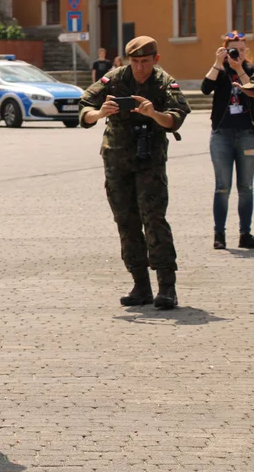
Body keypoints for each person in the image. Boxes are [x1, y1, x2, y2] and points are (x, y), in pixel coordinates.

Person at [79, 36, 191, 311]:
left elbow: (176, 117)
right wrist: (99, 113)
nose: (140, 67)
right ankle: (140, 285)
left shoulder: (164, 82)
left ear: (156, 59)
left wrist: (154, 114)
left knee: (154, 220)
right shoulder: (115, 78)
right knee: (126, 222)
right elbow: (84, 107)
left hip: (149, 161)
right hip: (117, 160)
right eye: (135, 62)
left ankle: (167, 287)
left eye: (145, 62)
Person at [201, 31, 254, 249]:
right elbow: (205, 89)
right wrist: (217, 63)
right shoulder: (220, 71)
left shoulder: (250, 70)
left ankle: (245, 234)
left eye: (241, 50)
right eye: (234, 50)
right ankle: (219, 234)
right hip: (221, 134)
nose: (238, 54)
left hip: (247, 135)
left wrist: (239, 69)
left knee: (246, 187)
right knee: (222, 186)